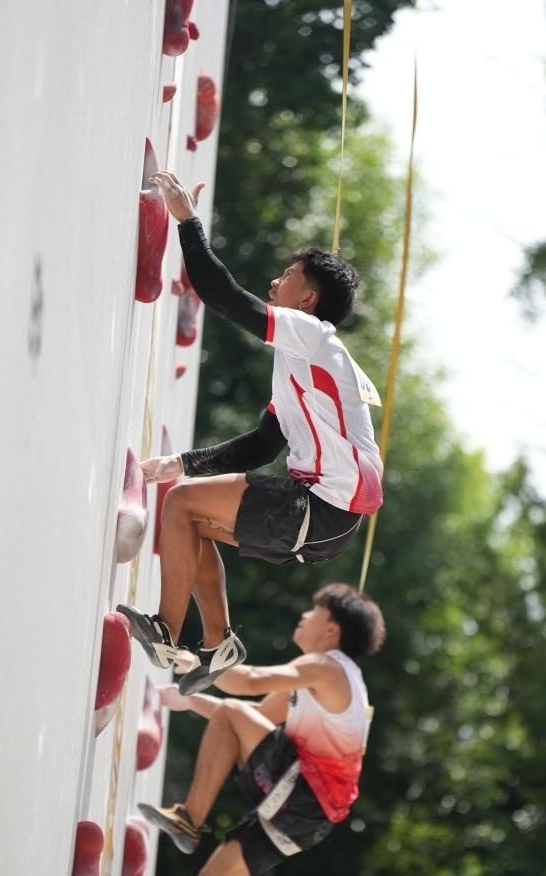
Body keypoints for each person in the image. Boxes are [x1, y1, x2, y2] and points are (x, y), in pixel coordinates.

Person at [117, 171, 383, 695]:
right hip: (330, 518)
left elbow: (226, 299)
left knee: (180, 507)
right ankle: (218, 643)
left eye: (288, 275)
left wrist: (188, 224)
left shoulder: (311, 334)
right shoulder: (299, 365)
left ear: (307, 298)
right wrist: (183, 463)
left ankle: (168, 631)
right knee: (189, 518)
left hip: (323, 506)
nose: (276, 282)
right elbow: (264, 443)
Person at [126, 583, 385, 876]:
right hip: (309, 818)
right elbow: (251, 721)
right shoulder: (319, 683)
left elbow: (245, 684)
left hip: (301, 794)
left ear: (331, 630)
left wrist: (189, 661)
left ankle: (190, 819)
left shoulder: (326, 667)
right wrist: (189, 697)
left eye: (313, 612)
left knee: (231, 716)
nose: (303, 617)